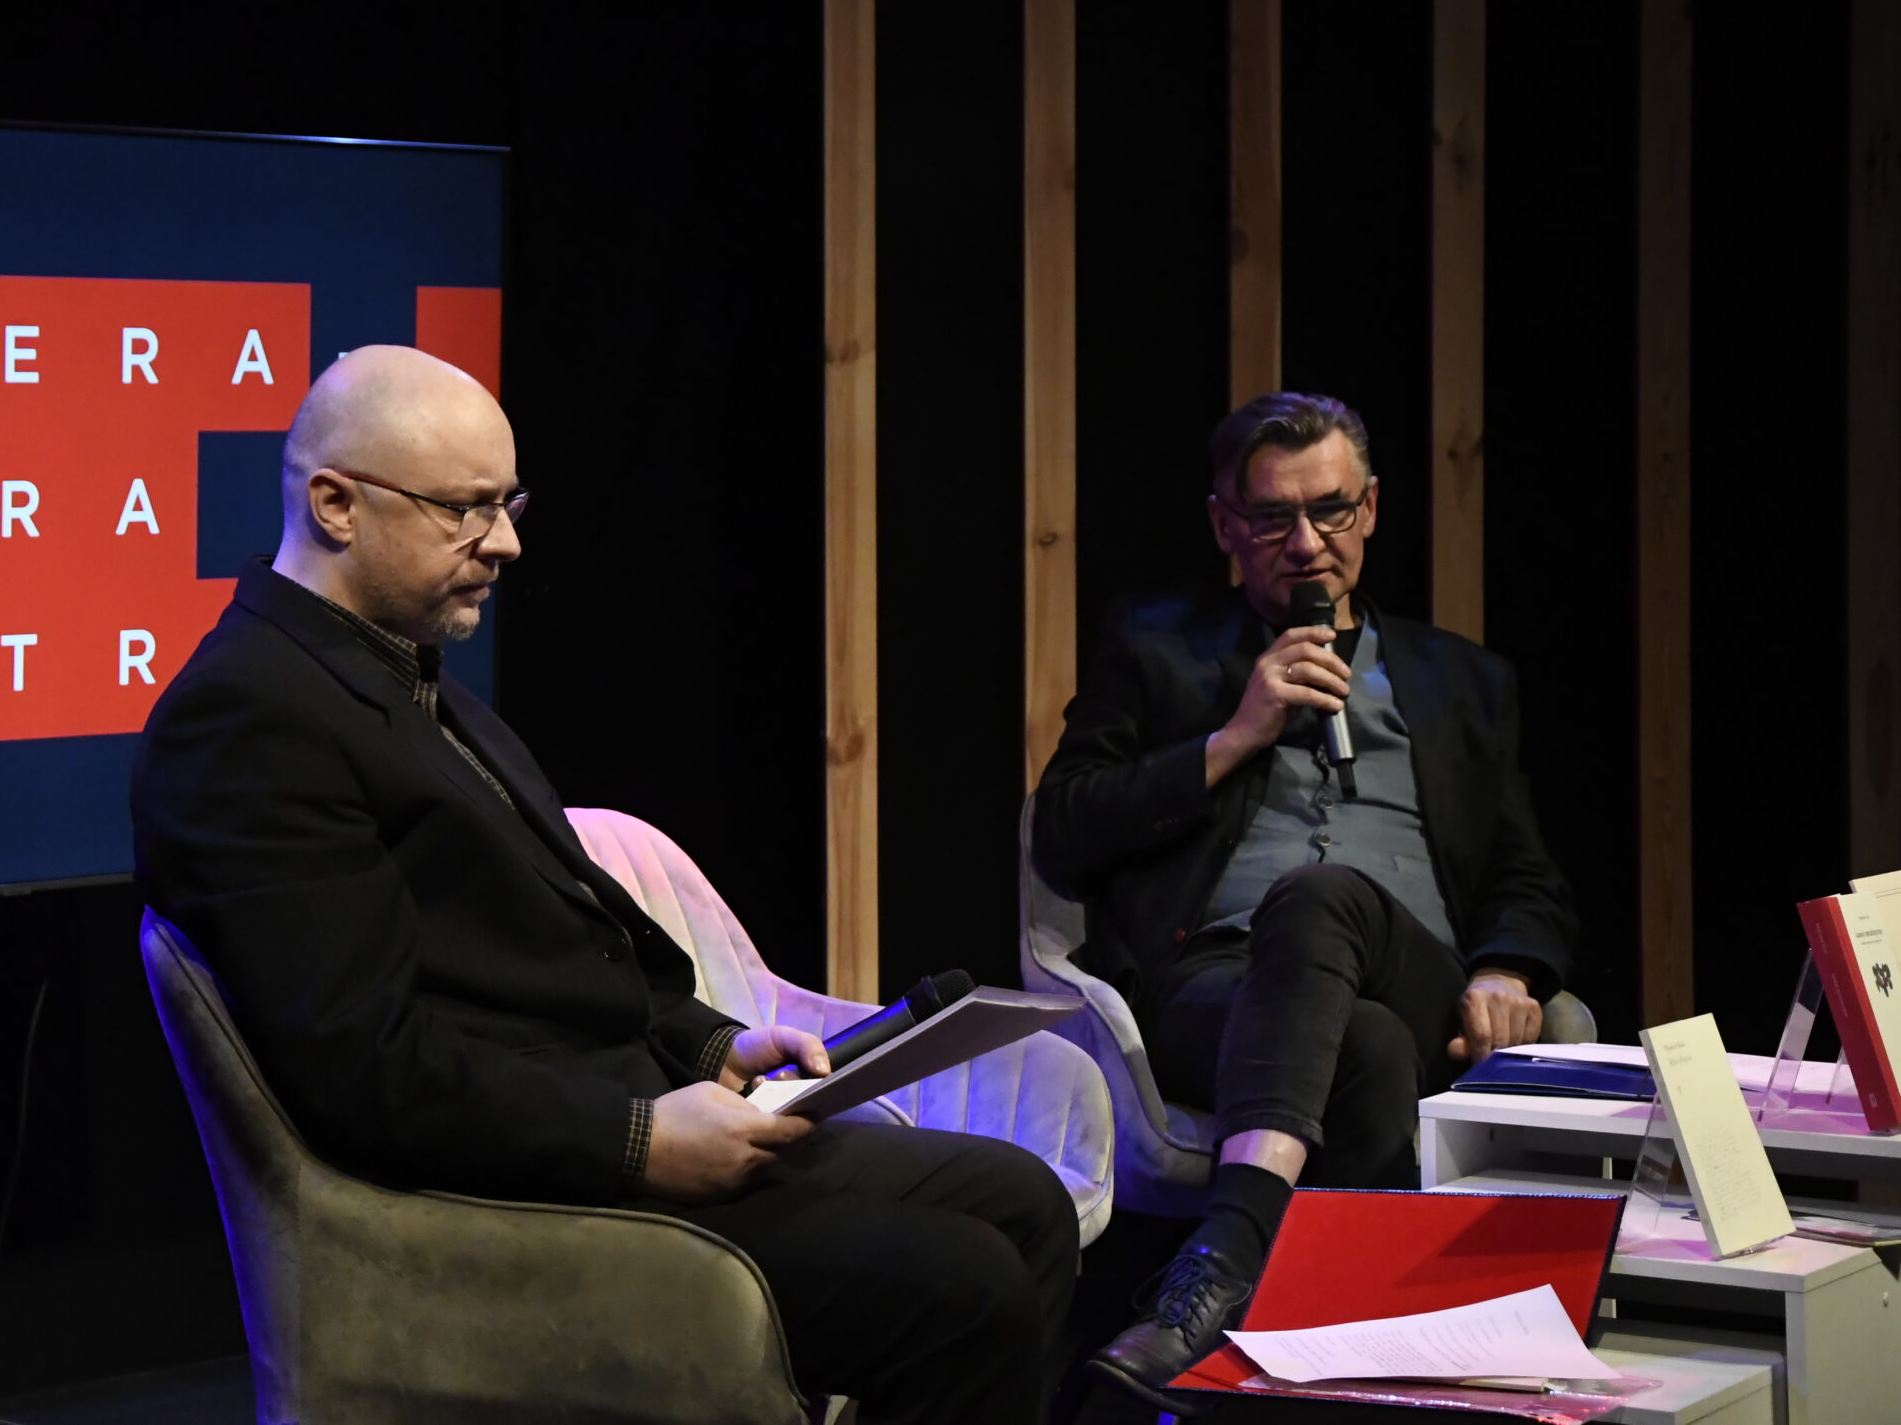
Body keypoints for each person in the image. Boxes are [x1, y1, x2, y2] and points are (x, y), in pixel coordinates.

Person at [135, 346, 1077, 1423]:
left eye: (508, 504)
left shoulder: (397, 671)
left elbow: (559, 946)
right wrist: (638, 1140)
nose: (506, 542)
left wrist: (713, 1046)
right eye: (465, 509)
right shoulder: (249, 721)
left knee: (1024, 1203)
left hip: (608, 1113)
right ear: (336, 505)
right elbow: (365, 1070)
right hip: (499, 1190)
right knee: (965, 1288)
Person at [1032, 391, 1578, 1405]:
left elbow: (1527, 873)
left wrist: (1507, 967)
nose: (1305, 543)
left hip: (1415, 969)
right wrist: (1233, 736)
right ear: (1224, 526)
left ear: (1369, 509)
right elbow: (1063, 825)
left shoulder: (1462, 680)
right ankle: (1339, 1381)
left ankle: (1217, 1267)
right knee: (1364, 1050)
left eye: (1329, 511)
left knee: (1325, 897)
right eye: (1273, 517)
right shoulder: (1156, 648)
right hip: (1219, 982)